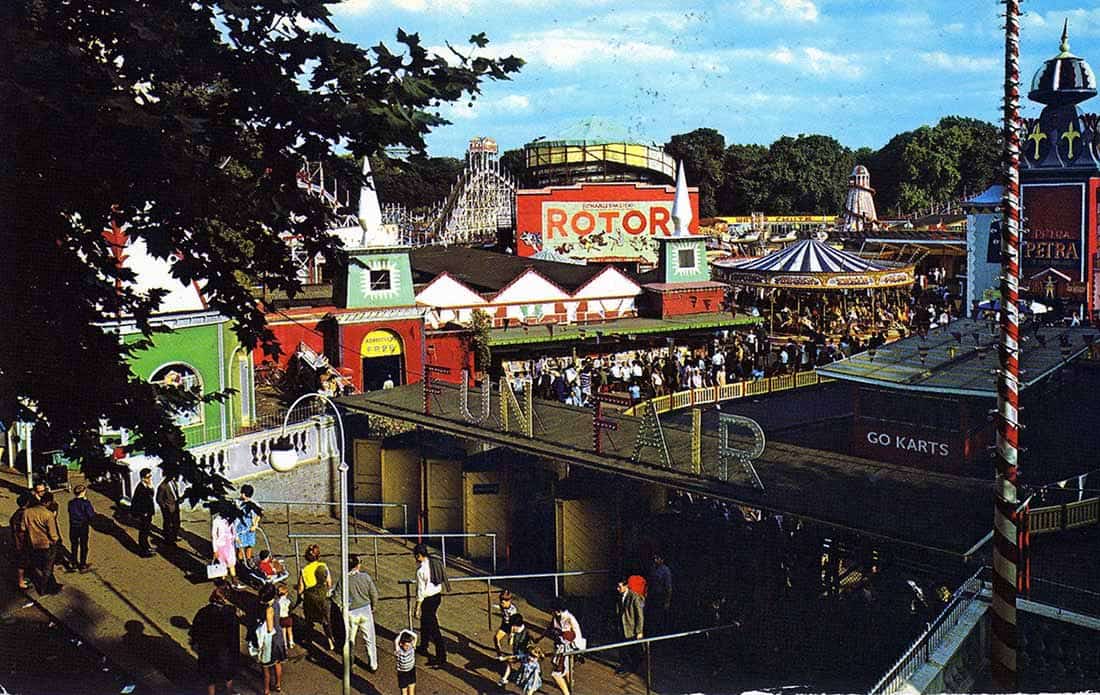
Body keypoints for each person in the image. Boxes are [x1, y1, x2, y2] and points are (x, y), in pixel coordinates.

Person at [333, 554, 380, 672]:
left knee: (350, 639)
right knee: (369, 638)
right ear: (357, 565)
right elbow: (374, 594)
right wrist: (373, 606)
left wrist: (342, 607)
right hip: (365, 609)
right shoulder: (365, 577)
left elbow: (336, 598)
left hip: (351, 611)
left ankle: (349, 662)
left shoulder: (343, 580)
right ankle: (373, 664)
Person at [190, 585, 241, 695]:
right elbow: (234, 637)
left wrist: (196, 644)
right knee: (228, 675)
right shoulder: (231, 616)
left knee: (210, 679)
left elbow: (195, 631)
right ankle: (229, 692)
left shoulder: (203, 612)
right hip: (225, 652)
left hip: (207, 651)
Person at [412, 543, 448, 666]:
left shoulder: (420, 571)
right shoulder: (434, 562)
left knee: (434, 628)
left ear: (418, 555)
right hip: (437, 596)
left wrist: (416, 608)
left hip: (428, 599)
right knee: (425, 622)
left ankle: (441, 657)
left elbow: (420, 591)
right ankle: (424, 645)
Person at [23, 493, 61, 594]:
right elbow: (53, 534)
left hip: (33, 543)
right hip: (46, 544)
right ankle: (43, 588)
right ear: (48, 502)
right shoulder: (48, 514)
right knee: (48, 568)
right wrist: (55, 541)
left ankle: (49, 584)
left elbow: (23, 528)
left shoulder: (27, 512)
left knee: (38, 564)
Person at [253, 583, 286, 695]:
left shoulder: (268, 609)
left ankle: (266, 690)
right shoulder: (277, 603)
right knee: (277, 663)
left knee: (266, 667)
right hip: (279, 636)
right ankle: (278, 684)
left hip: (270, 640)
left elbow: (269, 628)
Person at [547, 598, 583, 695]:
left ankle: (566, 693)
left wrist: (575, 649)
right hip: (559, 647)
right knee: (567, 670)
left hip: (567, 649)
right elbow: (551, 627)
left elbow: (577, 636)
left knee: (555, 674)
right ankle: (570, 689)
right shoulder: (555, 617)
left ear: (557, 611)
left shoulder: (570, 618)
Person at [614, 577, 644, 675]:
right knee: (623, 649)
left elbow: (639, 615)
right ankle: (625, 666)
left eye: (620, 587)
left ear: (626, 586)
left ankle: (634, 666)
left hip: (631, 627)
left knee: (633, 649)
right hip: (621, 626)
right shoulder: (619, 596)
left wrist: (639, 631)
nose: (618, 589)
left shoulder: (634, 597)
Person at [302, 562, 334, 651]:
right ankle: (330, 641)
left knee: (309, 621)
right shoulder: (326, 593)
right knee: (326, 623)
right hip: (323, 611)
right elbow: (330, 584)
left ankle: (309, 638)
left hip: (312, 611)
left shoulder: (309, 591)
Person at [498, 613, 535, 687]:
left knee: (522, 669)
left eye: (513, 625)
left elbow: (532, 642)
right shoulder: (514, 632)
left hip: (524, 654)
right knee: (509, 662)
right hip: (517, 653)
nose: (511, 627)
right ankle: (505, 678)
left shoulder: (526, 632)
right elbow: (510, 644)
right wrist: (511, 635)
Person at [211, 505, 242, 589]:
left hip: (229, 544)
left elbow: (233, 530)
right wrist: (215, 550)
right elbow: (214, 535)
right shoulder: (216, 521)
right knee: (223, 565)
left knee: (231, 563)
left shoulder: (230, 519)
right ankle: (223, 583)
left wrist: (237, 538)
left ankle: (234, 581)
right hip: (221, 545)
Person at [67, 484, 95, 571]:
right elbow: (91, 514)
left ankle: (74, 562)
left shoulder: (71, 503)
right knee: (84, 545)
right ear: (83, 492)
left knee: (74, 545)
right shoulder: (86, 503)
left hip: (73, 526)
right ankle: (82, 564)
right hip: (83, 526)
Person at [131, 468, 156, 557]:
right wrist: (142, 513)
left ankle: (146, 546)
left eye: (150, 476)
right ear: (143, 478)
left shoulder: (146, 485)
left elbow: (151, 495)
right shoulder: (140, 488)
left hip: (148, 512)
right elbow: (138, 502)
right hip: (144, 513)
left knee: (146, 530)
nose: (150, 478)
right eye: (148, 477)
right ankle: (143, 550)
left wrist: (150, 486)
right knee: (143, 531)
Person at [235, 485, 263, 565]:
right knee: (240, 546)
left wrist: (255, 524)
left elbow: (260, 514)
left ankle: (248, 559)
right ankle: (240, 562)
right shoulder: (237, 502)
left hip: (250, 526)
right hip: (240, 527)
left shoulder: (253, 503)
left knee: (249, 544)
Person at [10, 492, 32, 590]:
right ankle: (21, 582)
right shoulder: (22, 514)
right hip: (21, 543)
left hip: (18, 541)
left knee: (23, 561)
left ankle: (22, 579)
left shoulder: (17, 513)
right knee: (21, 563)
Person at [646, 554, 672, 636]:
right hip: (652, 597)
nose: (655, 560)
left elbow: (668, 587)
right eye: (654, 558)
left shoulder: (665, 570)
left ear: (662, 560)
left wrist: (667, 601)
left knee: (661, 618)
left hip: (661, 597)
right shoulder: (653, 569)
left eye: (657, 558)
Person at [155, 475, 181, 546]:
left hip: (175, 506)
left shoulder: (174, 483)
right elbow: (159, 499)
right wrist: (165, 507)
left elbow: (175, 494)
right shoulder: (163, 486)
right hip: (168, 509)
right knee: (168, 524)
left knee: (177, 523)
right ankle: (167, 540)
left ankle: (174, 537)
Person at [494, 589, 518, 654]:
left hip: (512, 627)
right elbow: (500, 607)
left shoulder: (513, 611)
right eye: (501, 601)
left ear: (509, 601)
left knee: (512, 644)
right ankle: (499, 655)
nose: (502, 603)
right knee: (496, 638)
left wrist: (512, 634)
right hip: (504, 625)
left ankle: (517, 656)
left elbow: (514, 623)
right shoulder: (502, 605)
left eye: (504, 602)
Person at [395, 629, 418, 695]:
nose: (408, 647)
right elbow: (396, 641)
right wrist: (401, 633)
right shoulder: (398, 650)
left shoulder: (412, 646)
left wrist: (405, 630)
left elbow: (415, 636)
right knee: (404, 692)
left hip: (411, 670)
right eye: (406, 646)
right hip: (402, 673)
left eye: (409, 645)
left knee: (412, 691)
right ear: (401, 644)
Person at [276, 583, 295, 650]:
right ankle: (291, 642)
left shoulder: (277, 601)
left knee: (283, 632)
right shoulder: (288, 601)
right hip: (288, 617)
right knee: (290, 631)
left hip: (281, 618)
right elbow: (291, 608)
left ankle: (285, 644)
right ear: (286, 593)